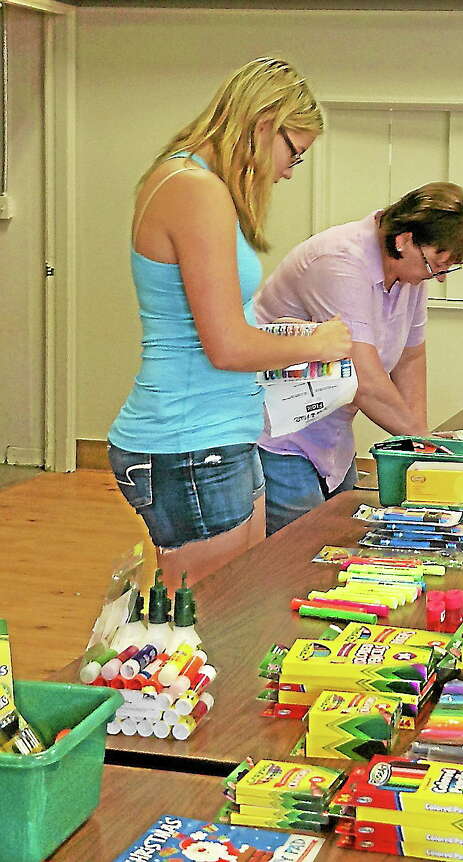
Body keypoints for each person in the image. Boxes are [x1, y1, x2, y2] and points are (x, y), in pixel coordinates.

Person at [107, 58, 352, 589]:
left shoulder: (193, 182)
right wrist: (317, 342)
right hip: (189, 437)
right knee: (203, 629)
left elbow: (224, 327)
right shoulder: (193, 187)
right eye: (295, 153)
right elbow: (226, 347)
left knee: (240, 610)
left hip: (217, 432)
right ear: (265, 123)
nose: (288, 171)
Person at [254, 182, 463, 535]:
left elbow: (410, 357)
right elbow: (364, 380)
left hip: (331, 434)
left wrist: (418, 445)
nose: (438, 276)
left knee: (338, 544)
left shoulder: (410, 275)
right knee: (297, 555)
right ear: (404, 240)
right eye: (436, 265)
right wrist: (430, 446)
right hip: (279, 435)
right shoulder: (340, 261)